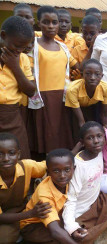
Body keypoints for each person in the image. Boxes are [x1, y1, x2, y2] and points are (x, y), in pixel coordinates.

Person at [63, 122, 107, 241]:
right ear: (82, 142)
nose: (96, 141)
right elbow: (71, 199)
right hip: (81, 211)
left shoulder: (99, 152)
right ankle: (98, 222)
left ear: (104, 138)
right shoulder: (78, 165)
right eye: (90, 138)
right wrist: (71, 227)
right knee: (83, 238)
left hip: (96, 200)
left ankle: (101, 221)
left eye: (99, 136)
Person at [28, 6, 78, 154]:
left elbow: (78, 66)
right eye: (46, 22)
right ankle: (44, 168)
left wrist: (94, 45)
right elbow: (28, 72)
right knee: (46, 135)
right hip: (43, 97)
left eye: (54, 22)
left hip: (62, 98)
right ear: (38, 23)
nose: (51, 26)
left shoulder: (63, 47)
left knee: (60, 135)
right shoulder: (33, 46)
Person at [20, 149, 78, 243]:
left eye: (67, 169)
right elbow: (55, 231)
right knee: (63, 237)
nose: (62, 175)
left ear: (73, 169)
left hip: (57, 218)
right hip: (34, 225)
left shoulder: (73, 182)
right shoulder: (44, 193)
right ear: (48, 172)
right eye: (56, 171)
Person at [0, 133, 48, 244]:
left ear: (18, 154)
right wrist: (30, 214)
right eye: (0, 154)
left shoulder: (26, 166)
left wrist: (76, 150)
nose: (6, 159)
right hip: (6, 217)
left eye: (11, 153)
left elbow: (51, 164)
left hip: (22, 210)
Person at [0, 16, 35, 159]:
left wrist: (15, 66)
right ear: (3, 36)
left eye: (24, 47)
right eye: (17, 46)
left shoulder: (22, 59)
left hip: (12, 115)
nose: (20, 50)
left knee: (19, 157)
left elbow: (31, 91)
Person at [65, 59, 107, 129]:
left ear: (102, 76)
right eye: (88, 73)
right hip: (73, 110)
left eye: (97, 74)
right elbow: (81, 121)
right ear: (82, 74)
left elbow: (103, 114)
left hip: (92, 108)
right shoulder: (73, 89)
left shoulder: (105, 88)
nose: (92, 78)